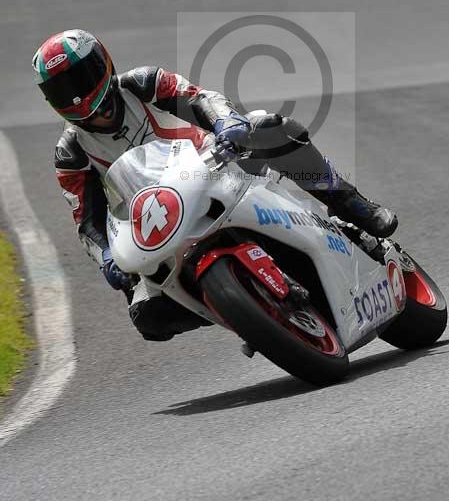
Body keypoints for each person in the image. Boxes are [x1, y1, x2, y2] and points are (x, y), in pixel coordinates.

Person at [33, 29, 397, 341]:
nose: (76, 96)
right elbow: (88, 224)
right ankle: (244, 314)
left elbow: (200, 99)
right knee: (147, 316)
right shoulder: (71, 152)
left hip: (216, 167)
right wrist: (108, 258)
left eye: (80, 79)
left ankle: (351, 205)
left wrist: (227, 124)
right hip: (162, 223)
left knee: (271, 128)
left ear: (103, 64)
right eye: (62, 90)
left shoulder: (142, 84)